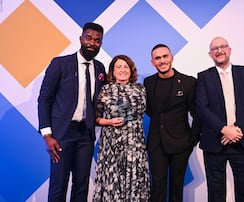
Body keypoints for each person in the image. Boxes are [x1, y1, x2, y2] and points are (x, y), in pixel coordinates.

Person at [38, 22, 107, 202]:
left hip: (86, 135)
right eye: (89, 38)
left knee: (81, 186)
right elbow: (45, 100)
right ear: (81, 39)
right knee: (59, 185)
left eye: (97, 40)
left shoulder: (100, 68)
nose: (92, 43)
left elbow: (104, 100)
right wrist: (47, 135)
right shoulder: (60, 64)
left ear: (101, 44)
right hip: (62, 134)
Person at [195, 36, 244, 202]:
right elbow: (202, 108)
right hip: (215, 142)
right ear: (210, 54)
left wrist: (237, 129)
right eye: (214, 49)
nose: (219, 51)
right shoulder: (203, 77)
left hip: (243, 140)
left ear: (229, 50)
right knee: (216, 193)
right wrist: (224, 130)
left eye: (223, 46)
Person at [144, 44, 200, 202]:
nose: (162, 61)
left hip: (180, 144)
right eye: (157, 58)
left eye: (165, 56)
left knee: (177, 187)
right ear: (152, 62)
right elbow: (150, 110)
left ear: (171, 57)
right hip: (156, 144)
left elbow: (197, 114)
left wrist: (192, 140)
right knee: (157, 187)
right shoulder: (148, 82)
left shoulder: (189, 82)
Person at [92, 55, 150, 201]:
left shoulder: (140, 89)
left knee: (135, 180)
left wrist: (127, 116)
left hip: (134, 143)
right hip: (111, 144)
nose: (122, 70)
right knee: (113, 180)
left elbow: (139, 112)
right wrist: (109, 121)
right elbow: (95, 118)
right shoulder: (105, 89)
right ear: (112, 70)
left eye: (126, 67)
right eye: (119, 67)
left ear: (131, 70)